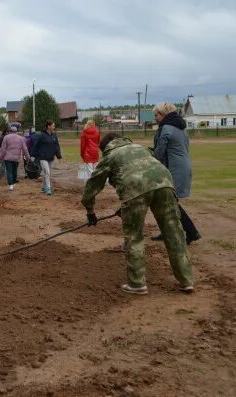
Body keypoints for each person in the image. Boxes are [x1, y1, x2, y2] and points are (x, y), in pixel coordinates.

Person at [81, 133, 193, 295]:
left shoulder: (110, 156)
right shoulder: (140, 148)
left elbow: (92, 186)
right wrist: (127, 203)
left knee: (134, 236)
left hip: (135, 190)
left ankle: (137, 283)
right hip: (165, 184)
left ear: (105, 147)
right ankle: (186, 280)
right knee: (174, 232)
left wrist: (90, 211)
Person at [151, 102, 201, 245]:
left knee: (170, 201)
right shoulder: (181, 127)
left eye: (157, 115)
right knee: (167, 201)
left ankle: (191, 232)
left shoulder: (166, 128)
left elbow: (159, 153)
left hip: (175, 169)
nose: (155, 118)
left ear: (164, 114)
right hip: (182, 166)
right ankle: (168, 231)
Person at [30, 120, 62, 195]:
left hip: (50, 157)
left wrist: (59, 156)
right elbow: (36, 146)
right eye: (53, 125)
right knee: (47, 172)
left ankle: (43, 187)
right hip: (43, 157)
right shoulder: (42, 135)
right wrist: (32, 156)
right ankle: (48, 188)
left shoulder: (54, 135)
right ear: (48, 126)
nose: (54, 127)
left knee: (48, 173)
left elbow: (57, 146)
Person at [0, 126, 29, 190]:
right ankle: (14, 183)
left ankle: (10, 185)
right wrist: (28, 157)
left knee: (9, 171)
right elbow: (25, 149)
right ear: (16, 131)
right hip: (16, 158)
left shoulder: (6, 137)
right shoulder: (21, 138)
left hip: (7, 158)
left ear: (9, 131)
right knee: (14, 171)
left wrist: (0, 158)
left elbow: (3, 149)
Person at [80, 120, 100, 185]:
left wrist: (82, 155)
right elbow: (98, 143)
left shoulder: (84, 133)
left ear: (88, 125)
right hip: (95, 152)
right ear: (93, 125)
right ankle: (94, 184)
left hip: (87, 153)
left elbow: (82, 146)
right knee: (95, 169)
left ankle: (90, 185)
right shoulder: (97, 132)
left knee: (89, 170)